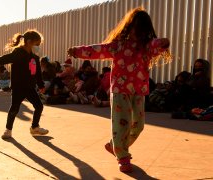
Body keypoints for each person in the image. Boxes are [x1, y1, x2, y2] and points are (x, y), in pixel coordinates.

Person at [68, 7, 171, 172]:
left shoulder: (147, 47)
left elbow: (162, 43)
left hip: (138, 91)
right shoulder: (118, 45)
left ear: (147, 31)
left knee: (138, 125)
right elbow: (97, 50)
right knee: (121, 124)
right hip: (120, 90)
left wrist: (160, 42)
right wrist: (77, 52)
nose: (138, 33)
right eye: (136, 29)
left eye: (142, 30)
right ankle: (122, 155)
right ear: (129, 27)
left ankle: (114, 145)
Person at [0, 30, 49, 139]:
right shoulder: (17, 53)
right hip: (18, 87)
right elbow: (1, 60)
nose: (38, 46)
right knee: (14, 109)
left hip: (30, 87)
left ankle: (35, 127)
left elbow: (37, 73)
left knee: (39, 106)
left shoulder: (34, 58)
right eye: (37, 44)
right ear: (29, 42)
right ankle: (8, 130)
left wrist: (41, 85)